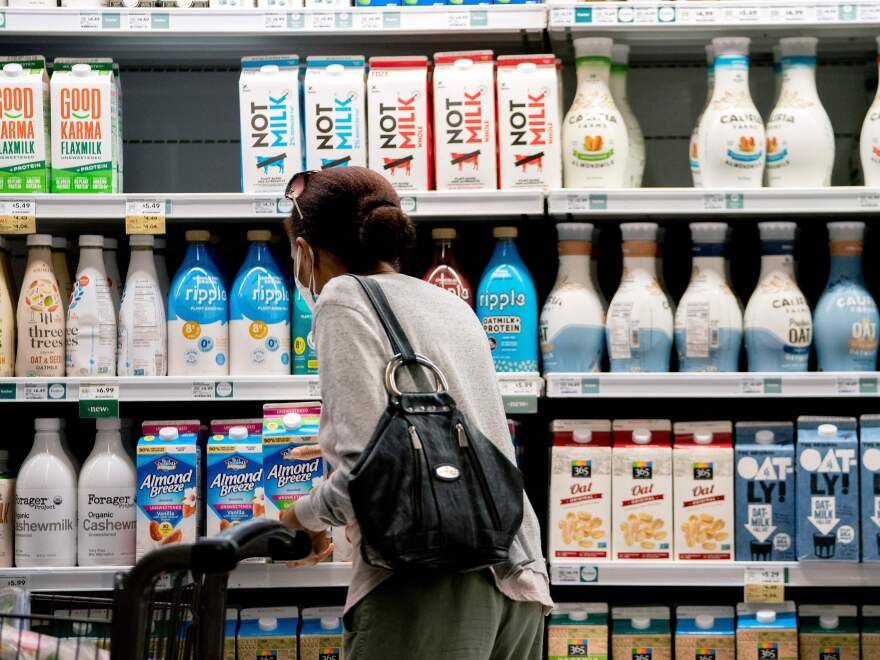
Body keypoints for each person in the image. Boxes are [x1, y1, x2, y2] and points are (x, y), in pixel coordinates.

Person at [280, 167, 552, 659]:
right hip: (520, 574)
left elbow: (367, 479)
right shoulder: (450, 304)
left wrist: (302, 518)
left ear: (304, 251)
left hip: (433, 586)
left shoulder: (343, 298)